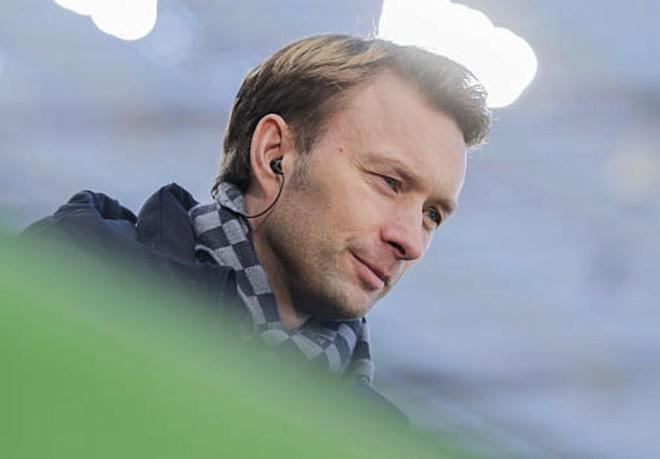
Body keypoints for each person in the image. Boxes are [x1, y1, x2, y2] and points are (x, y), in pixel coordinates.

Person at [24, 34, 490, 420]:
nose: (411, 241)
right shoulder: (76, 276)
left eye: (432, 215)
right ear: (274, 155)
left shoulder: (379, 438)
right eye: (389, 181)